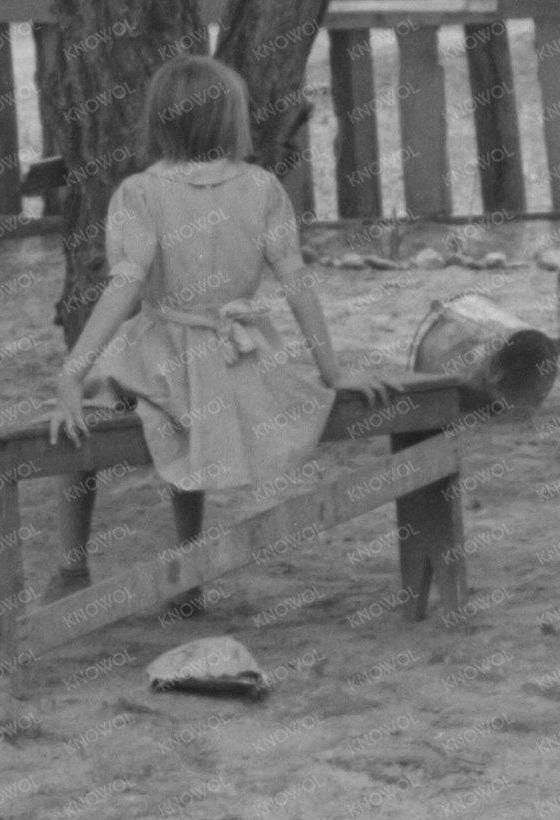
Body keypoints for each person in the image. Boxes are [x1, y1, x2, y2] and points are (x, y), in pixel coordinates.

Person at [45, 56, 393, 615]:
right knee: (189, 417)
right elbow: (296, 280)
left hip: (163, 353)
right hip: (240, 356)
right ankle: (188, 564)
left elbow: (126, 285)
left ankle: (72, 565)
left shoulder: (141, 192)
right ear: (232, 120)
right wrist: (332, 372)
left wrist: (72, 370)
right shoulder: (261, 187)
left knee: (81, 415)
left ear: (159, 120)